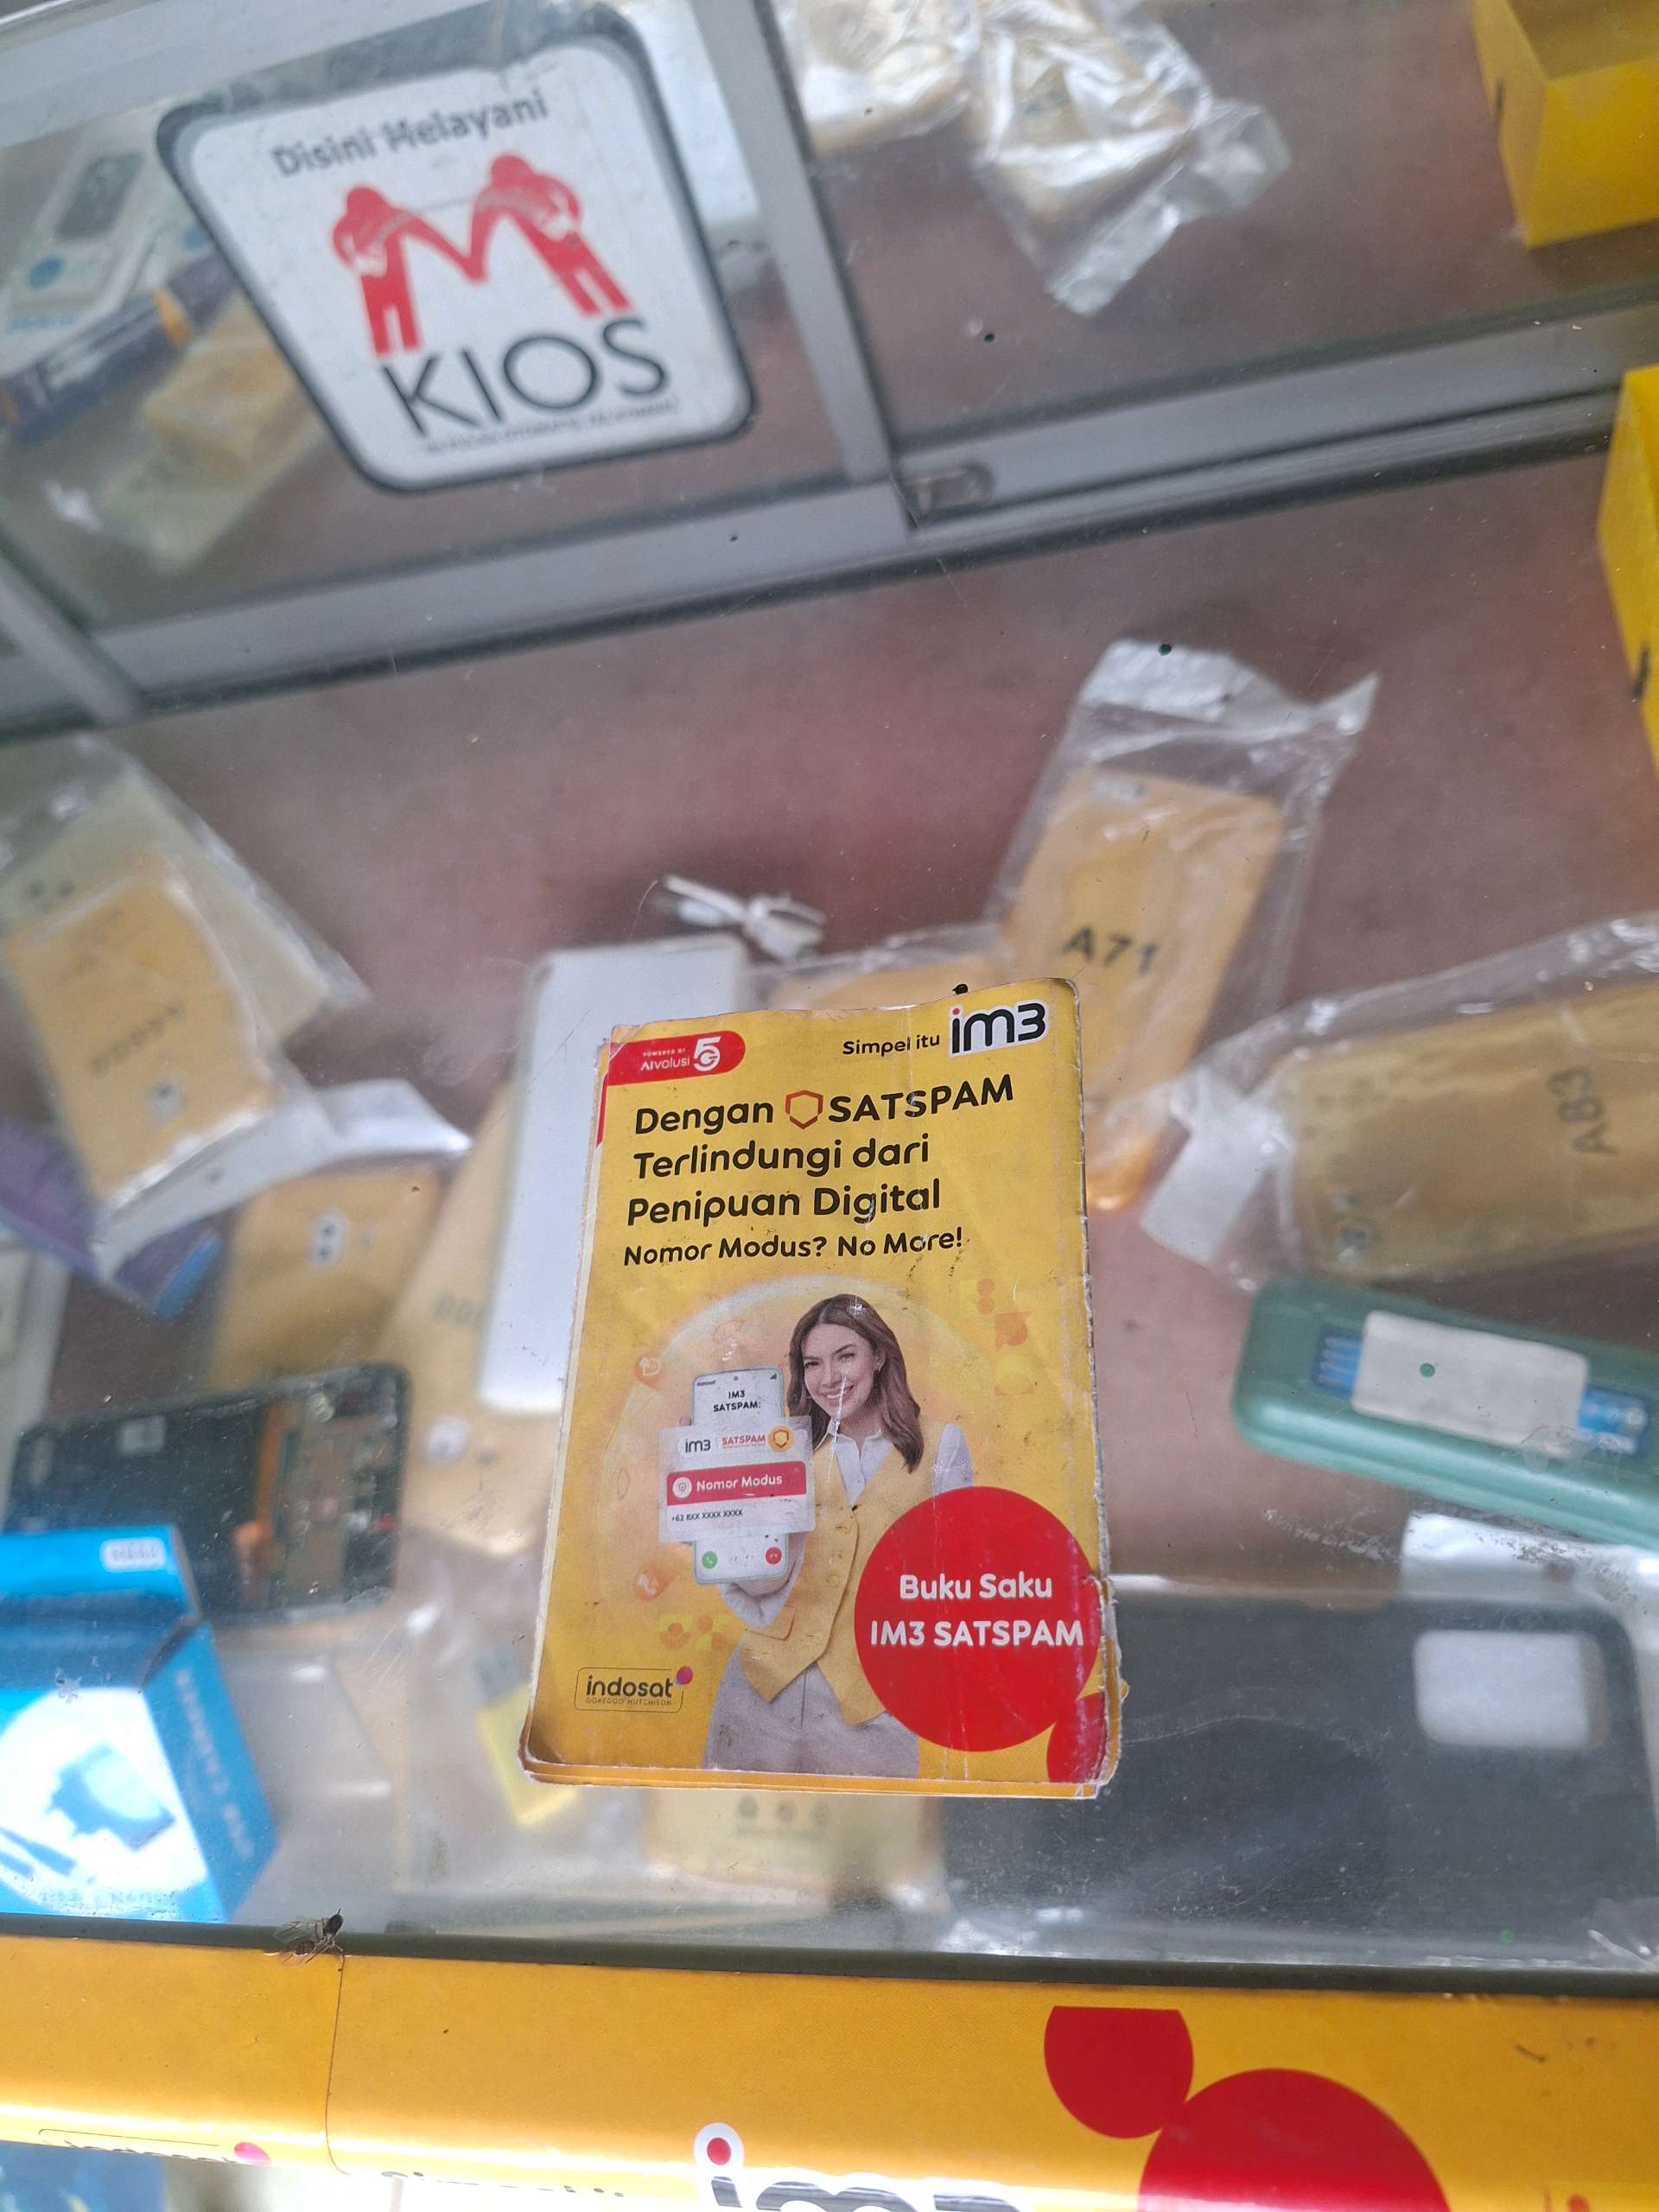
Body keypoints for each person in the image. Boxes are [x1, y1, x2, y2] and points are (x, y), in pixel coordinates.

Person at [703, 1294, 971, 1778]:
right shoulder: (785, 1447)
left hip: (877, 1703)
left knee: (870, 1824)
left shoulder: (941, 1445)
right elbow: (760, 1581)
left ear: (878, 1356)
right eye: (812, 1364)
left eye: (845, 1356)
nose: (828, 1377)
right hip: (760, 1692)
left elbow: (953, 1579)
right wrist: (710, 1499)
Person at [466, 155, 631, 315]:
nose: (517, 188)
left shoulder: (536, 183)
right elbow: (480, 230)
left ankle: (615, 307)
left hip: (566, 237)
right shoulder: (493, 195)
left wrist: (567, 222)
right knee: (574, 281)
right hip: (550, 243)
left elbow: (570, 199)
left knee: (591, 275)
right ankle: (599, 311)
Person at [330, 185, 468, 357]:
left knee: (406, 327)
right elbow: (339, 245)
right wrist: (358, 260)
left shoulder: (393, 216)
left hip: (396, 282)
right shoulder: (347, 225)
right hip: (372, 285)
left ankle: (406, 352)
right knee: (381, 334)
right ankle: (390, 355)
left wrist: (461, 261)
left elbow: (431, 236)